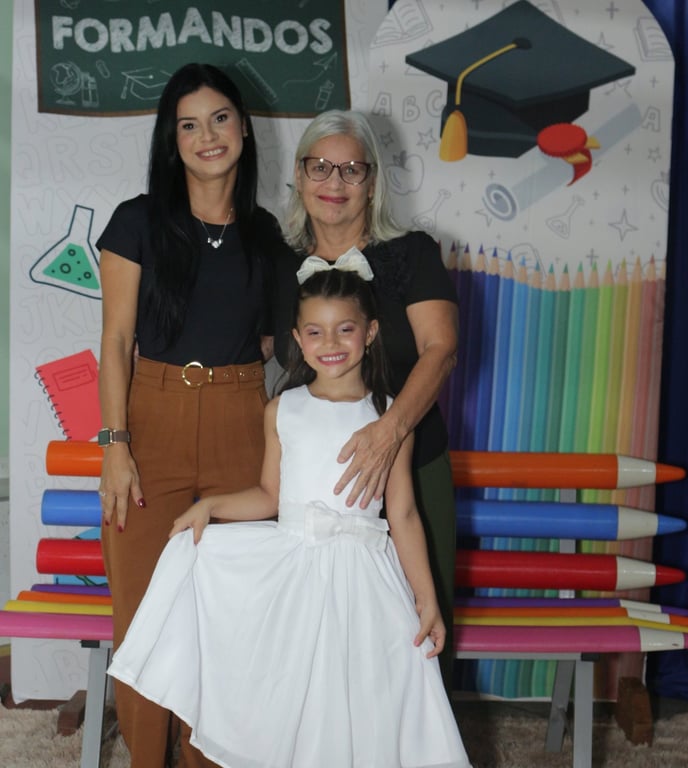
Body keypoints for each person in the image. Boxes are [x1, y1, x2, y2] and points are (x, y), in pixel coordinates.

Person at [107, 263, 471, 768]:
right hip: (296, 575)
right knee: (294, 700)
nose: (331, 343)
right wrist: (210, 506)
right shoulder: (284, 409)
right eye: (315, 332)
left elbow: (404, 513)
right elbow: (269, 496)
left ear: (370, 332)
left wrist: (426, 598)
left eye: (345, 329)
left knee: (367, 698)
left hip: (367, 581)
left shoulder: (390, 419)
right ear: (297, 339)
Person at [97, 63, 288, 768]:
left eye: (219, 118)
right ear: (170, 140)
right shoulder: (137, 222)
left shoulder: (267, 234)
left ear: (244, 128)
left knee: (230, 623)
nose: (207, 136)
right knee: (145, 619)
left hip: (242, 427)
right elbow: (116, 340)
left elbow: (283, 341)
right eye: (188, 124)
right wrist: (115, 446)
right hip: (151, 426)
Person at [272, 109, 459, 688]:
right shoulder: (276, 262)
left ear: (372, 182)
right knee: (313, 655)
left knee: (416, 640)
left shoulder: (413, 254)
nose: (335, 182)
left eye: (351, 169)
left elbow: (441, 350)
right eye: (320, 167)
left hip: (411, 471)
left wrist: (389, 432)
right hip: (311, 494)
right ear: (299, 176)